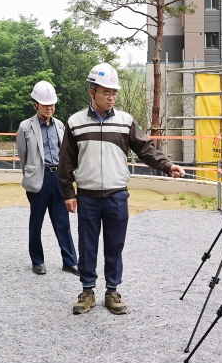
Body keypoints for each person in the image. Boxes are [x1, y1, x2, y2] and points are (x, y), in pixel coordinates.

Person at [59, 63, 185, 315]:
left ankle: (112, 291)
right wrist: (69, 193)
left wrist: (167, 165)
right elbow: (66, 162)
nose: (111, 97)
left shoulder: (126, 122)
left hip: (117, 195)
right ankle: (87, 291)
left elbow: (146, 150)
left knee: (115, 244)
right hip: (88, 197)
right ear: (91, 91)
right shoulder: (75, 123)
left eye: (114, 92)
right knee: (87, 245)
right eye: (105, 92)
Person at [16, 80, 78, 276]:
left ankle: (69, 261)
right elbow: (23, 156)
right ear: (36, 104)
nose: (50, 108)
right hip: (38, 179)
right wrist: (31, 176)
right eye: (45, 104)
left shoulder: (60, 125)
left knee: (63, 222)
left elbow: (66, 154)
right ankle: (37, 261)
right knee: (36, 221)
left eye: (52, 104)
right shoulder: (26, 127)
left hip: (58, 179)